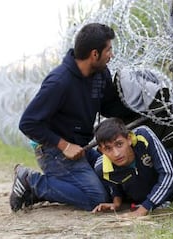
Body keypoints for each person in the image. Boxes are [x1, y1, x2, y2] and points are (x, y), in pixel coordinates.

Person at [10, 23, 138, 212]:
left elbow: (109, 106)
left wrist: (144, 111)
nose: (111, 55)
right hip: (54, 151)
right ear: (95, 54)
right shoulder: (59, 82)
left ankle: (43, 190)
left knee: (114, 185)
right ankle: (32, 182)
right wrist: (64, 145)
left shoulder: (100, 74)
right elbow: (28, 123)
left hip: (82, 148)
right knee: (97, 198)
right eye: (109, 50)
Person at [91, 117, 173, 217]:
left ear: (129, 139)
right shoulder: (101, 168)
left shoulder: (143, 136)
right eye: (108, 149)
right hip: (172, 192)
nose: (116, 153)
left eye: (119, 144)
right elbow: (114, 183)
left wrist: (143, 209)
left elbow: (169, 174)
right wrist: (116, 202)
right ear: (101, 151)